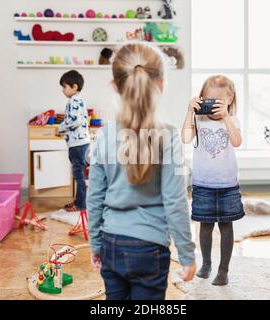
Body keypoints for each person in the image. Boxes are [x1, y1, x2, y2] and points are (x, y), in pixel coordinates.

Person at [87, 43, 196, 300]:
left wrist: (95, 243)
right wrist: (187, 253)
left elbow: (94, 198)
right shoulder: (168, 137)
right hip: (151, 247)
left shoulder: (103, 137)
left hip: (112, 242)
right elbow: (175, 201)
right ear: (161, 84)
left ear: (115, 86)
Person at [181, 75, 245, 286]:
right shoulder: (199, 119)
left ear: (230, 99)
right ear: (202, 98)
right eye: (209, 101)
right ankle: (206, 263)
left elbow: (237, 142)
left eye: (220, 102)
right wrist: (190, 111)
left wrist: (226, 117)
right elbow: (185, 138)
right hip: (202, 183)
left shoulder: (232, 120)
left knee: (226, 226)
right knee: (205, 226)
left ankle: (223, 269)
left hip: (227, 184)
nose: (214, 106)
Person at [58, 70, 90, 213]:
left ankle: (81, 204)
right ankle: (79, 201)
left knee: (79, 176)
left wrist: (60, 128)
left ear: (74, 87)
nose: (63, 90)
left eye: (65, 86)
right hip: (79, 143)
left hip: (78, 145)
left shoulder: (74, 100)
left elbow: (75, 120)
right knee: (79, 175)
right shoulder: (78, 100)